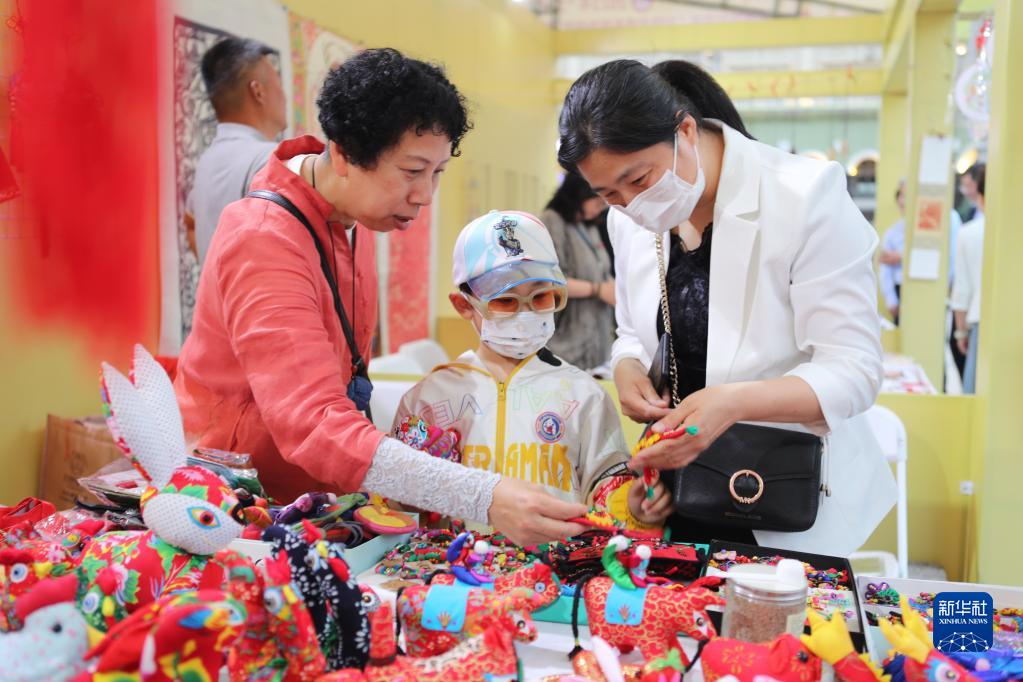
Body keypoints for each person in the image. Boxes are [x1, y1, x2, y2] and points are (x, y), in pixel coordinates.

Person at [173, 48, 587, 547]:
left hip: (314, 501)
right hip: (235, 508)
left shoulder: (356, 215)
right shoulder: (263, 237)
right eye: (412, 171)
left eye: (437, 172)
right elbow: (313, 422)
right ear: (344, 154)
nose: (425, 195)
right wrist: (482, 495)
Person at [557, 59, 896, 556]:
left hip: (785, 495)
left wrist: (732, 404)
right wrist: (628, 366)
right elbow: (633, 331)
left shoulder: (804, 197)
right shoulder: (627, 220)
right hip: (684, 493)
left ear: (685, 131)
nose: (631, 205)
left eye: (640, 179)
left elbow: (854, 370)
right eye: (608, 194)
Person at [392, 210, 672, 527]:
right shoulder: (429, 399)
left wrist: (633, 506)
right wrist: (411, 490)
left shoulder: (583, 395)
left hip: (555, 555)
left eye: (540, 297)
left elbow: (606, 484)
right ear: (464, 305)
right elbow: (396, 502)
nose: (525, 313)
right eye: (505, 301)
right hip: (454, 557)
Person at [186, 37, 288, 265]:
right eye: (278, 84)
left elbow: (190, 223)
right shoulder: (270, 159)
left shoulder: (206, 164)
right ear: (258, 91)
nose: (285, 96)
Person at [541, 173, 616, 370]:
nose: (601, 208)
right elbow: (550, 281)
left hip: (597, 341)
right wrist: (598, 290)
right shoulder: (552, 221)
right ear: (579, 194)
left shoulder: (587, 225)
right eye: (598, 202)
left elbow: (602, 269)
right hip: (567, 342)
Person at [951, 164, 986, 394]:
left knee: (977, 394)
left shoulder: (969, 232)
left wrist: (960, 331)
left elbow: (962, 289)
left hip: (979, 319)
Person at [879, 181, 907, 325]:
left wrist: (901, 257)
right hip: (899, 289)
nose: (904, 201)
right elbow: (885, 267)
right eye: (901, 195)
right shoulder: (892, 232)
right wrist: (891, 300)